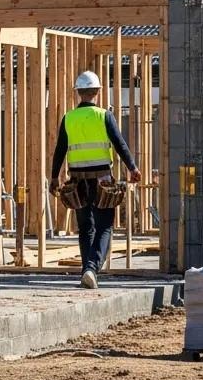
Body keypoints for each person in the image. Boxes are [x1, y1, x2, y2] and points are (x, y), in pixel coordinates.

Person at [49, 70, 141, 289]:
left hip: (77, 180)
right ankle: (91, 268)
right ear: (98, 91)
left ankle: (86, 271)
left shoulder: (69, 118)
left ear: (78, 92)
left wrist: (54, 177)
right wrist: (132, 168)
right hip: (102, 180)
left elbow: (60, 150)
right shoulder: (104, 115)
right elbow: (120, 144)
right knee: (104, 226)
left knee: (86, 227)